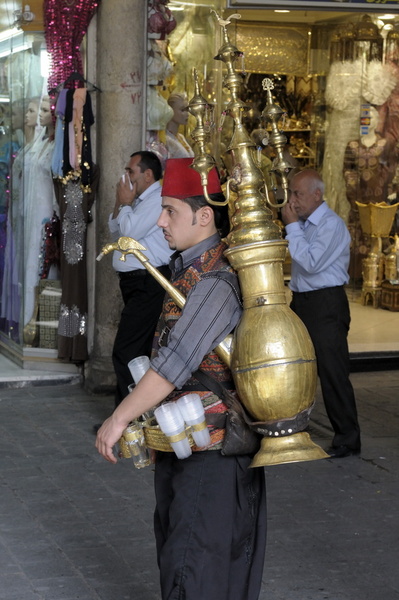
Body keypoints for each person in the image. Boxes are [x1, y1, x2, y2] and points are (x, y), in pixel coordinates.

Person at [96, 157, 267, 600]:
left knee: (193, 571)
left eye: (170, 209)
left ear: (204, 216)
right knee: (182, 559)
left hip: (214, 459)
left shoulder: (216, 280)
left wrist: (118, 420)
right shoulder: (189, 268)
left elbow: (175, 363)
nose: (160, 219)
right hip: (187, 446)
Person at [281, 168, 361, 459]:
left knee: (332, 371)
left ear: (317, 195)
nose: (292, 200)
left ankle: (348, 438)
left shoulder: (331, 225)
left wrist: (291, 226)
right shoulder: (303, 223)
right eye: (291, 193)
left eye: (298, 194)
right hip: (302, 301)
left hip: (326, 304)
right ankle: (293, 425)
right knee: (295, 365)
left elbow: (311, 262)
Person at [109, 150, 171, 406]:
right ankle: (135, 415)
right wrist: (121, 202)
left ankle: (127, 417)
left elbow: (129, 232)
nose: (126, 176)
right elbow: (114, 229)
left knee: (126, 350)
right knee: (137, 350)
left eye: (130, 171)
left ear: (147, 174)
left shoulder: (157, 198)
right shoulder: (138, 198)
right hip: (135, 283)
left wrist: (125, 203)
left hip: (149, 283)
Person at [166, 92, 195, 158]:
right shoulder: (166, 139)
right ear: (170, 110)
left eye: (187, 109)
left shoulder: (181, 137)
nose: (187, 114)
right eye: (182, 110)